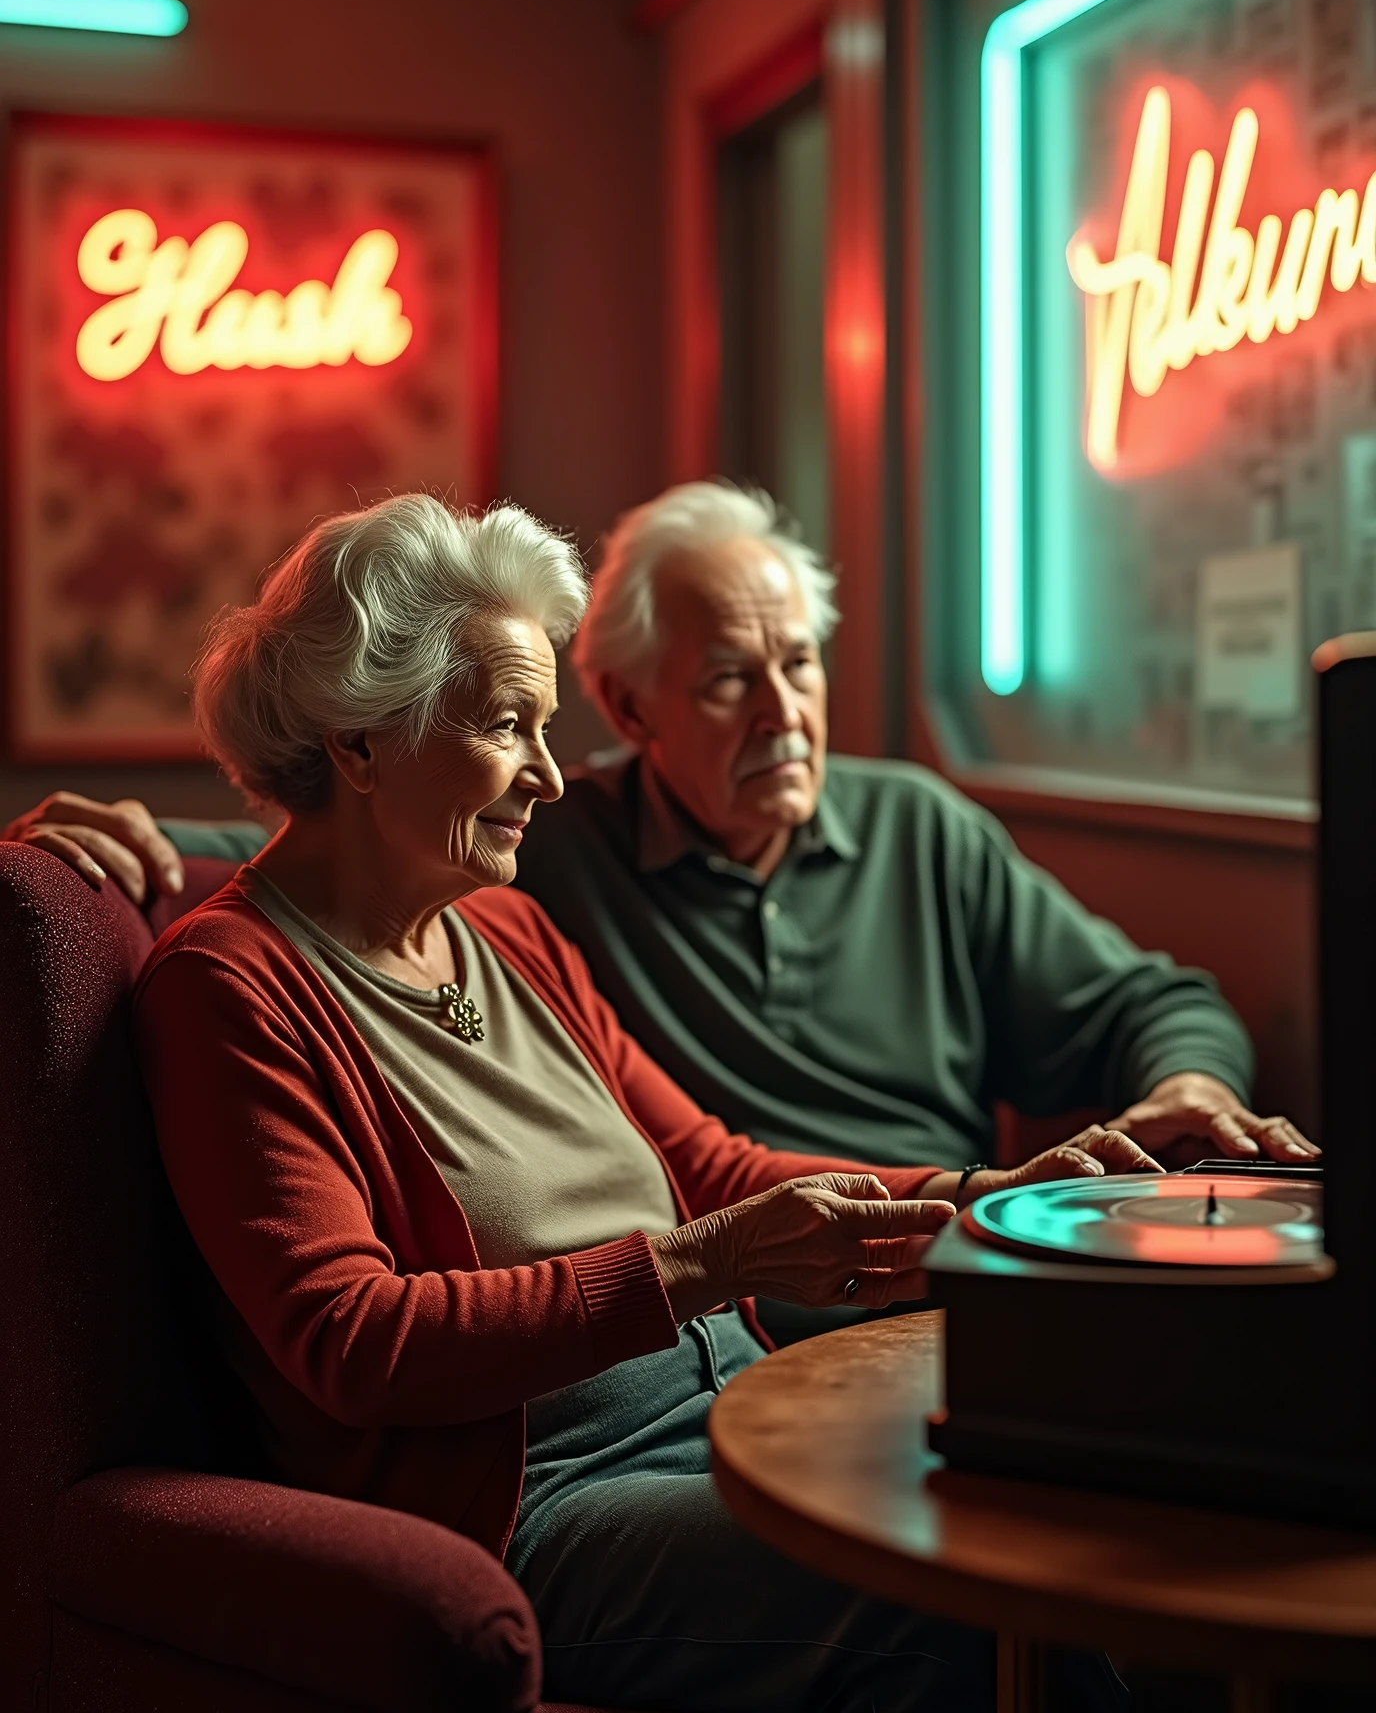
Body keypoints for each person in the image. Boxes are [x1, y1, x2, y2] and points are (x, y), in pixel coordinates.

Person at [110, 493, 1155, 1713]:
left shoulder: (508, 932)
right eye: (505, 728)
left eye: (547, 728)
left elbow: (708, 1168)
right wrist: (695, 1271)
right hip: (535, 1506)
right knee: (941, 1596)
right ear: (361, 746)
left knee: (1099, 1521)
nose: (550, 774)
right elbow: (351, 1340)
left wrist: (979, 1201)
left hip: (733, 1411)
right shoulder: (229, 991)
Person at [9, 481, 1314, 1345]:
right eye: (731, 681)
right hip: (761, 1305)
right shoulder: (540, 858)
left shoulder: (914, 829)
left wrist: (1041, 1177)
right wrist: (76, 854)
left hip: (905, 1253)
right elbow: (321, 855)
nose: (785, 714)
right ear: (633, 712)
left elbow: (1159, 1004)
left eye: (799, 664)